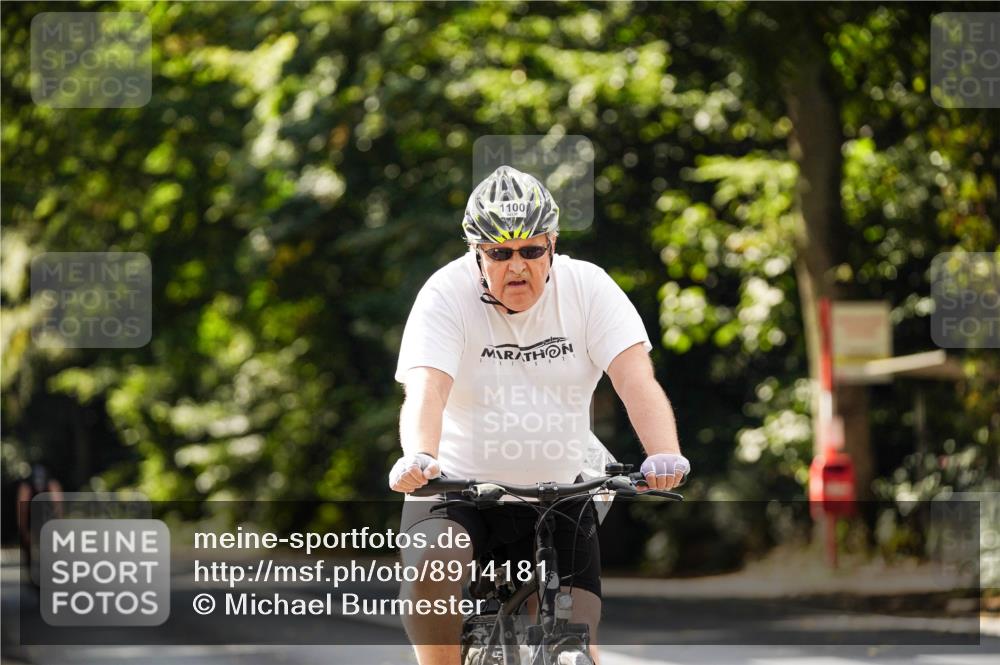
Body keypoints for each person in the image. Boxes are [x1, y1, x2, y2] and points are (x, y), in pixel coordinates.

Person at [390, 165, 689, 665]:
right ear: (476, 253)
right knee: (434, 566)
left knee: (574, 636)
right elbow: (427, 390)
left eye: (531, 251)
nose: (517, 267)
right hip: (460, 490)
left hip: (562, 492)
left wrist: (664, 453)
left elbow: (636, 381)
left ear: (552, 244)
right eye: (499, 254)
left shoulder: (589, 288)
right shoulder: (445, 295)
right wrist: (419, 455)